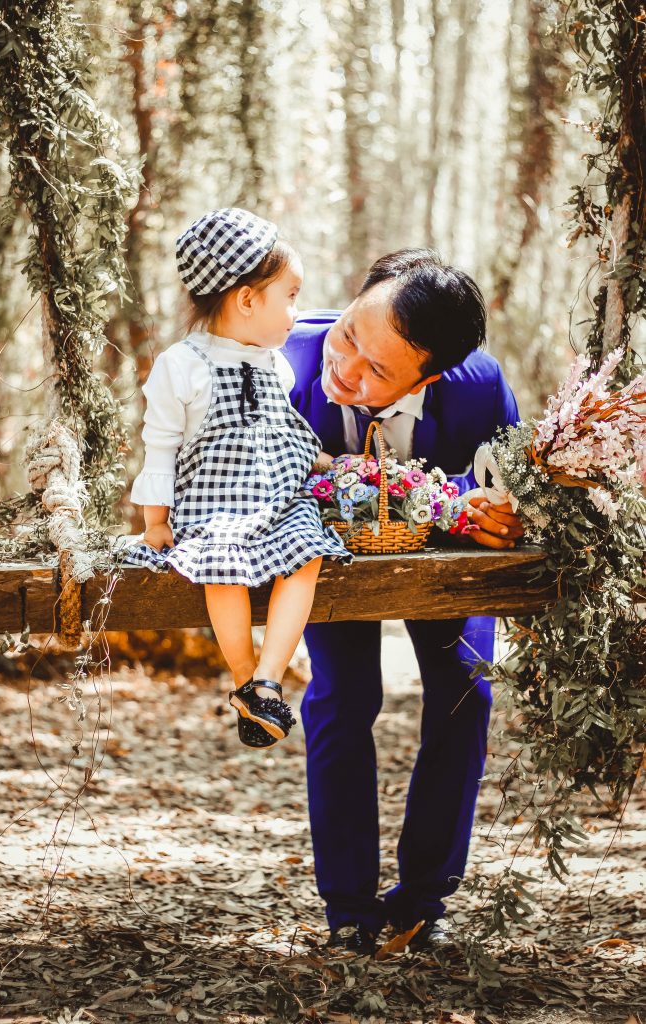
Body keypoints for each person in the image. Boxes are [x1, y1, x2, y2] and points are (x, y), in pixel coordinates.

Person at [280, 249, 524, 954]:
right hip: (328, 562)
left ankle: (423, 901)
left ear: (431, 374)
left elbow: (509, 494)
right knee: (343, 696)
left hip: (450, 567)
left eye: (378, 369)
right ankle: (348, 907)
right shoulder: (283, 363)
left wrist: (499, 513)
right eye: (350, 333)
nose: (346, 369)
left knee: (465, 695)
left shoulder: (478, 387)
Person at [125, 207, 351, 745]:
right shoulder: (183, 365)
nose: (296, 314)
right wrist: (157, 521)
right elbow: (160, 447)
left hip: (277, 501)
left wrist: (335, 468)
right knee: (221, 567)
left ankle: (268, 679)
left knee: (308, 553)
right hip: (215, 507)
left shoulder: (277, 366)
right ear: (247, 300)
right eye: (290, 296)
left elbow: (287, 436)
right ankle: (244, 678)